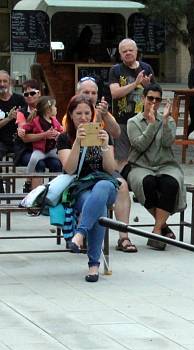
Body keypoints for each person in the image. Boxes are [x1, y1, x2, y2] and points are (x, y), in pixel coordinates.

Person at [57, 95, 119, 282]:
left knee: (101, 186)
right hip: (81, 188)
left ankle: (80, 234)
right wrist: (77, 142)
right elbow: (69, 168)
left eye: (87, 113)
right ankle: (94, 265)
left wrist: (105, 145)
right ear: (71, 115)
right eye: (78, 114)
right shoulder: (64, 138)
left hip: (106, 185)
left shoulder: (102, 133)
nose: (83, 118)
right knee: (98, 208)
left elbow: (110, 169)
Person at [72, 76, 136, 253]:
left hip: (104, 167)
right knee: (92, 192)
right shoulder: (72, 113)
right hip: (81, 168)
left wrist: (105, 114)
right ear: (78, 93)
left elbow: (116, 132)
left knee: (122, 185)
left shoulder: (103, 112)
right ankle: (83, 234)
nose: (91, 96)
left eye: (94, 93)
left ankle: (124, 237)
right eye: (86, 92)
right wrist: (93, 120)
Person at [126, 83, 187, 251]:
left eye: (157, 99)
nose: (153, 102)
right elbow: (139, 145)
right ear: (143, 99)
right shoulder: (133, 122)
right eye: (150, 98)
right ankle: (163, 227)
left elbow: (168, 143)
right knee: (148, 183)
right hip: (141, 165)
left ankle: (156, 229)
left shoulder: (168, 120)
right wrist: (152, 125)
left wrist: (165, 121)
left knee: (171, 184)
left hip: (165, 165)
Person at [108, 38, 154, 167]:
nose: (128, 53)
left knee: (143, 158)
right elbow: (115, 93)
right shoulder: (115, 70)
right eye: (124, 51)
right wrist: (135, 84)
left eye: (130, 50)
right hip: (122, 121)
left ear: (136, 51)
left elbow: (155, 95)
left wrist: (147, 86)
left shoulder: (146, 68)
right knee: (122, 159)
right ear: (120, 54)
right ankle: (122, 184)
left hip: (142, 122)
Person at [16, 80, 61, 190]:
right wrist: (44, 135)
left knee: (58, 163)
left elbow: (61, 130)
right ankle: (33, 190)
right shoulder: (24, 113)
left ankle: (54, 190)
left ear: (39, 93)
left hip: (49, 149)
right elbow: (25, 137)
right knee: (37, 163)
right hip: (29, 149)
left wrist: (58, 134)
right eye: (26, 94)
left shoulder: (52, 118)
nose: (29, 96)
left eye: (32, 93)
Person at [22, 96, 63, 175]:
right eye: (54, 106)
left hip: (52, 150)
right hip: (39, 150)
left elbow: (61, 131)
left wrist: (57, 134)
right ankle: (28, 179)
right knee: (33, 159)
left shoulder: (54, 120)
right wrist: (22, 131)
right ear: (48, 110)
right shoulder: (36, 120)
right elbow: (25, 128)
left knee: (64, 157)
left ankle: (62, 177)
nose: (56, 108)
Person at [0, 70, 25, 160]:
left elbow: (27, 121)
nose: (2, 84)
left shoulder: (20, 99)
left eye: (5, 81)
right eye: (0, 81)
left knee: (26, 159)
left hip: (18, 140)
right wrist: (9, 118)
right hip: (1, 141)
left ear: (10, 83)